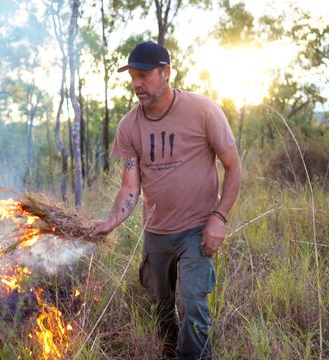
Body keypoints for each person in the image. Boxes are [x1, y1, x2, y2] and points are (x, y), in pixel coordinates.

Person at [91, 41, 242, 359]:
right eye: (132, 76)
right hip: (156, 234)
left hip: (196, 231)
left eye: (144, 75)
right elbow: (130, 187)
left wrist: (219, 217)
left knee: (191, 303)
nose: (136, 84)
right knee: (162, 310)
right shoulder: (129, 126)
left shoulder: (202, 110)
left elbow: (233, 166)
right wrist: (110, 221)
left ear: (166, 73)